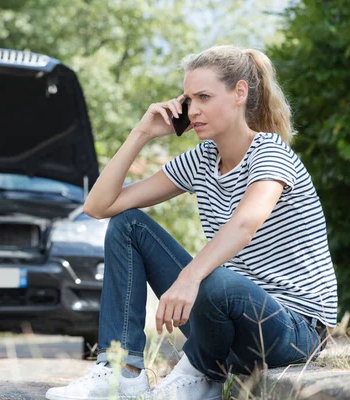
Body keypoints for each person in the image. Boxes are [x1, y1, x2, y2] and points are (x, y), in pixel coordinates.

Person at [45, 44, 338, 400]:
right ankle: (122, 371)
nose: (193, 110)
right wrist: (142, 133)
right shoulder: (202, 159)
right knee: (128, 225)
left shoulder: (270, 152)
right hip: (227, 317)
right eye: (188, 99)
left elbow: (246, 223)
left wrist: (190, 276)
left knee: (215, 280)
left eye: (203, 97)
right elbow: (99, 205)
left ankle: (199, 371)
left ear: (239, 93)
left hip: (293, 330)